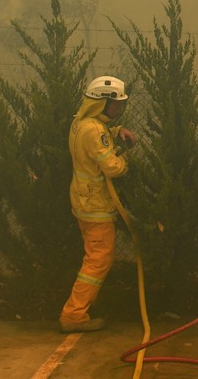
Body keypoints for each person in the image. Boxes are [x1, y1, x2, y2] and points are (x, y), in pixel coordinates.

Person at [58, 75, 138, 333]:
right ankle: (74, 315)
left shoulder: (81, 122)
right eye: (115, 105)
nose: (118, 109)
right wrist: (125, 158)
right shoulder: (93, 130)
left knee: (93, 258)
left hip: (83, 201)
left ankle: (84, 306)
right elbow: (113, 168)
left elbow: (96, 137)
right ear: (101, 103)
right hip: (96, 206)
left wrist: (116, 130)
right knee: (98, 261)